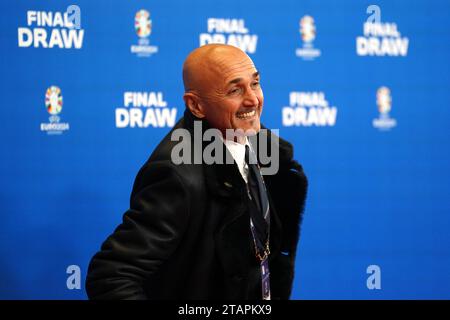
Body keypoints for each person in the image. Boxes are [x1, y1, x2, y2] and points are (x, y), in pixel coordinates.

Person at [86, 44, 308, 300]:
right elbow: (110, 275)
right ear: (196, 105)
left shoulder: (256, 142)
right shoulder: (175, 174)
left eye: (255, 83)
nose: (253, 99)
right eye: (235, 90)